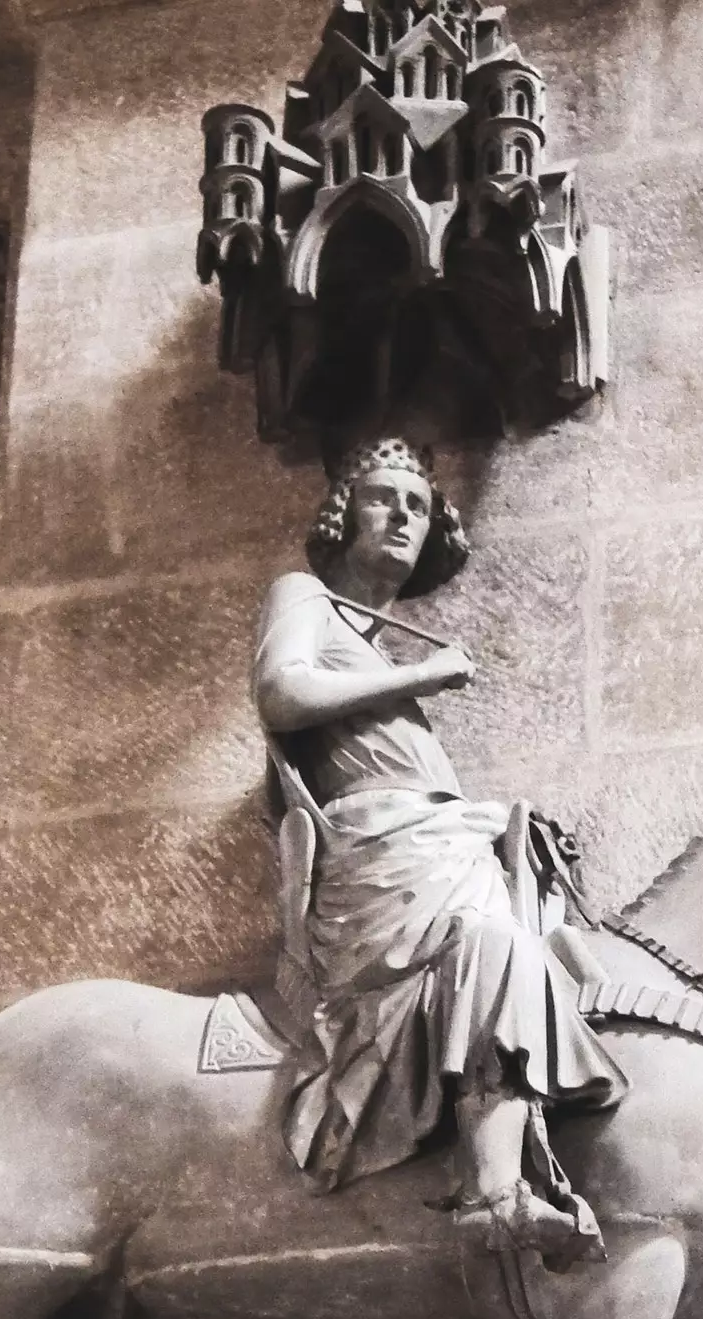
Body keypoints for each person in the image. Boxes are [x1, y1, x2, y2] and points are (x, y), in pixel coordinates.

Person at [252, 437, 625, 1263]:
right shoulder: (304, 596)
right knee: (494, 948)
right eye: (383, 498)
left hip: (431, 848)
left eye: (417, 507)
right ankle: (491, 1197)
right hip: (376, 864)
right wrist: (417, 680)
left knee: (558, 955)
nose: (402, 517)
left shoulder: (372, 643)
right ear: (343, 513)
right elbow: (282, 692)